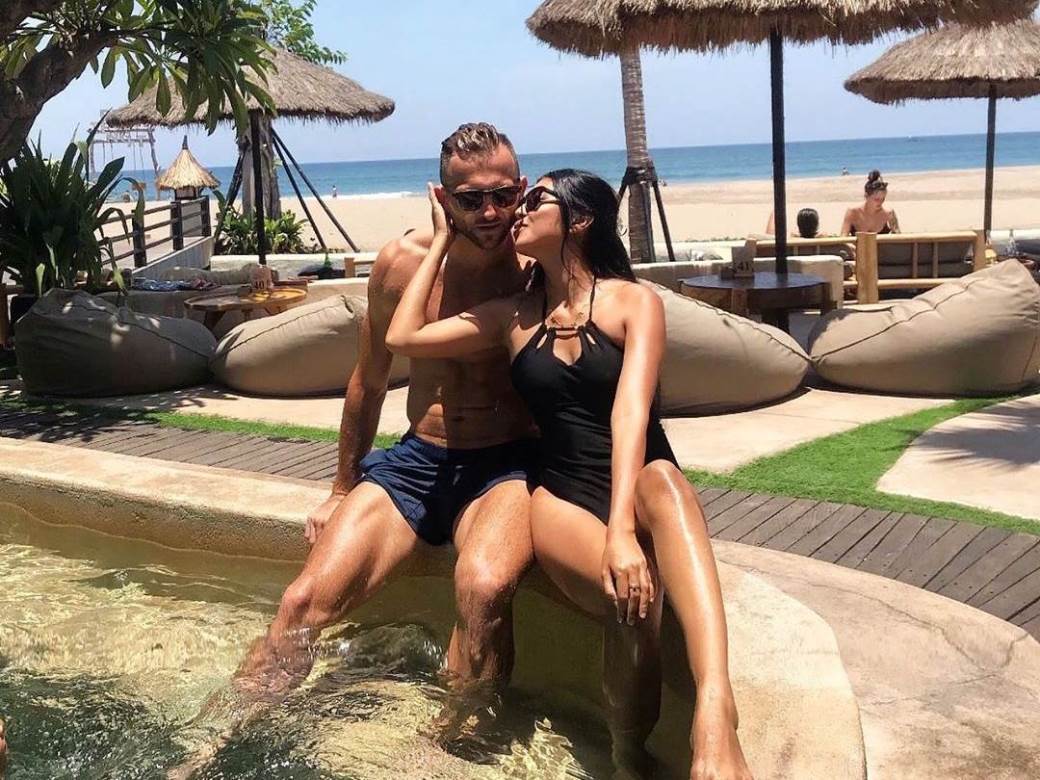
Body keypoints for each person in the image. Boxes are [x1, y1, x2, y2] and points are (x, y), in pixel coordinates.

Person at [170, 123, 538, 775]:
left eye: (503, 196)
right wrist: (341, 488)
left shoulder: (539, 266)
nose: (489, 213)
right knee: (300, 603)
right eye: (470, 199)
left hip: (505, 465)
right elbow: (369, 380)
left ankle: (450, 748)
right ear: (441, 198)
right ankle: (216, 743)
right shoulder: (402, 265)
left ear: (522, 189)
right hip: (419, 462)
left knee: (483, 591)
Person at [386, 169, 753, 780]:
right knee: (630, 600)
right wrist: (443, 238)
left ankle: (716, 709)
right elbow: (404, 335)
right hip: (560, 493)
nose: (518, 211)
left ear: (579, 221)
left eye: (535, 200)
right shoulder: (513, 317)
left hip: (638, 481)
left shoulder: (634, 302)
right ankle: (628, 752)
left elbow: (631, 412)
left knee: (665, 481)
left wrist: (622, 530)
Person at [841, 170, 900, 236]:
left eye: (883, 199)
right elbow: (843, 237)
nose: (880, 202)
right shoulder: (852, 212)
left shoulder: (889, 213)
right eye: (876, 199)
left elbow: (898, 237)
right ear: (866, 196)